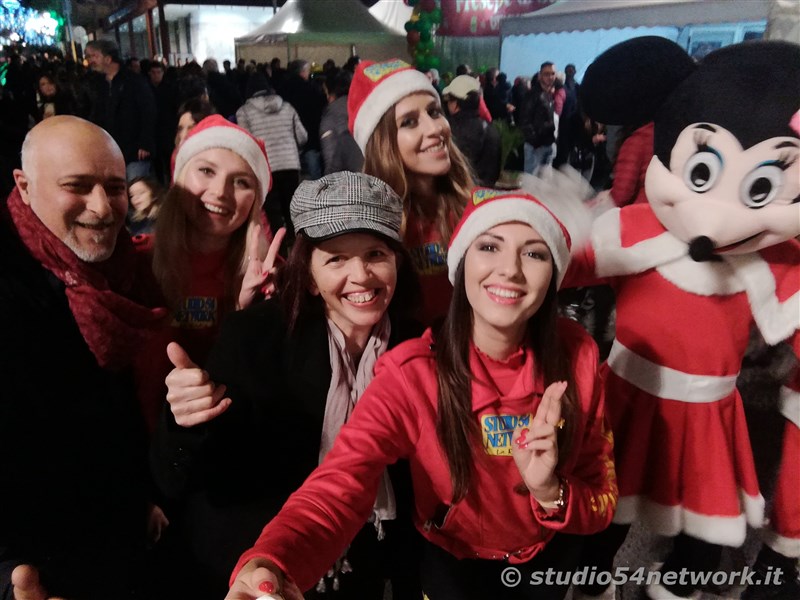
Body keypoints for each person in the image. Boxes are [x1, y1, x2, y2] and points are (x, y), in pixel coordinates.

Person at [226, 186, 617, 600]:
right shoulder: (412, 373)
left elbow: (603, 498)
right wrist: (271, 561)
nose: (511, 270)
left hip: (548, 560)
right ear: (461, 264)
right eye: (489, 246)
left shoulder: (578, 355)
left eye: (534, 253)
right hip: (452, 566)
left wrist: (551, 493)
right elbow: (339, 485)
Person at [153, 172, 423, 599]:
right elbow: (191, 477)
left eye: (376, 253)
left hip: (376, 561)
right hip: (259, 564)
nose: (361, 275)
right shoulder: (258, 336)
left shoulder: (418, 348)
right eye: (336, 258)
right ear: (310, 276)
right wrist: (186, 419)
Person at [0, 116, 167, 598]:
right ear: (24, 187)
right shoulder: (12, 291)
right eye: (77, 186)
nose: (102, 207)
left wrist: (144, 495)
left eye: (115, 188)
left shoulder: (119, 269)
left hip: (121, 538)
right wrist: (8, 573)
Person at [348, 58, 474, 325]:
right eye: (409, 122)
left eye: (435, 111)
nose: (435, 128)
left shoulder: (474, 206)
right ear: (383, 145)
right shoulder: (366, 228)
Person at [236, 73, 307, 240]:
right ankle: (297, 249)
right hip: (290, 165)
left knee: (273, 213)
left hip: (265, 168)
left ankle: (279, 253)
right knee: (292, 211)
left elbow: (246, 142)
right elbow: (303, 136)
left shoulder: (244, 112)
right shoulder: (287, 107)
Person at [85, 40, 157, 180]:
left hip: (134, 149)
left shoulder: (134, 81)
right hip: (111, 149)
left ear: (108, 58)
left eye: (94, 56)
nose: (90, 60)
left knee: (135, 189)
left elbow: (148, 111)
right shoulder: (99, 83)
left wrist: (145, 142)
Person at [442, 74, 502, 187]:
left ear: (456, 104)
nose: (448, 104)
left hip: (459, 194)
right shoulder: (492, 130)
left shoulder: (450, 130)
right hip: (483, 196)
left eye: (449, 100)